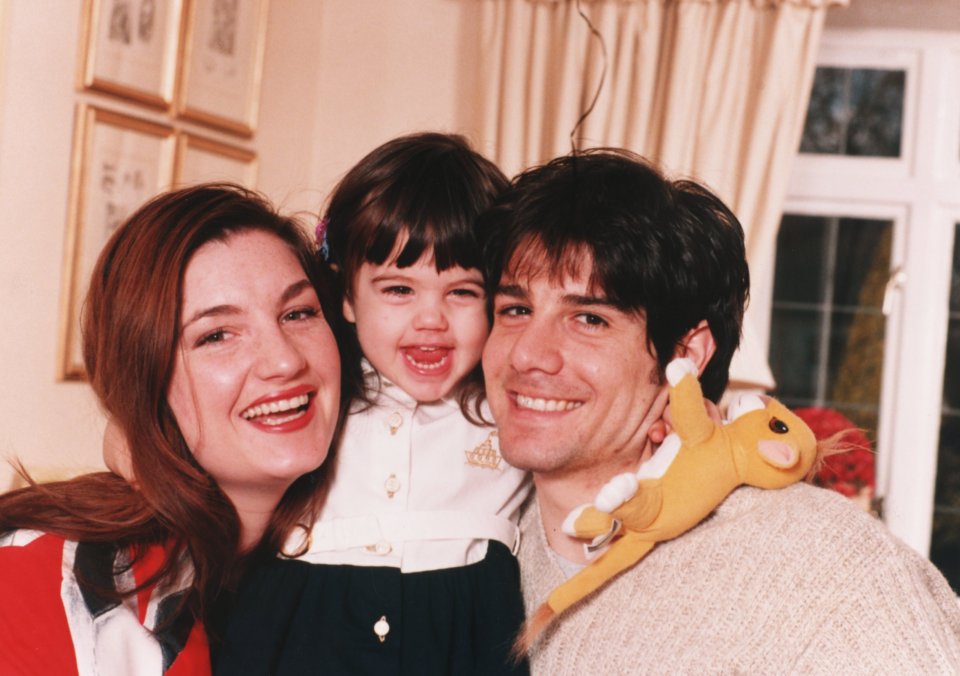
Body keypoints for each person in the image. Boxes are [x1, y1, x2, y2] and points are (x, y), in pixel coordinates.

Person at [479, 149, 960, 673]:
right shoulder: (472, 530)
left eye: (590, 319)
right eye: (515, 309)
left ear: (685, 355)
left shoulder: (825, 568)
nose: (527, 353)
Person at [213, 133, 532, 674]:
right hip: (299, 627)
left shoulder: (510, 406)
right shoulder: (312, 393)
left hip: (459, 638)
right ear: (344, 297)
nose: (430, 320)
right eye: (398, 290)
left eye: (462, 292)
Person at [0, 184, 349, 675]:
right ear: (145, 378)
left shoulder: (349, 558)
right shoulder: (46, 578)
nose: (286, 360)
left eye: (298, 313)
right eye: (216, 335)